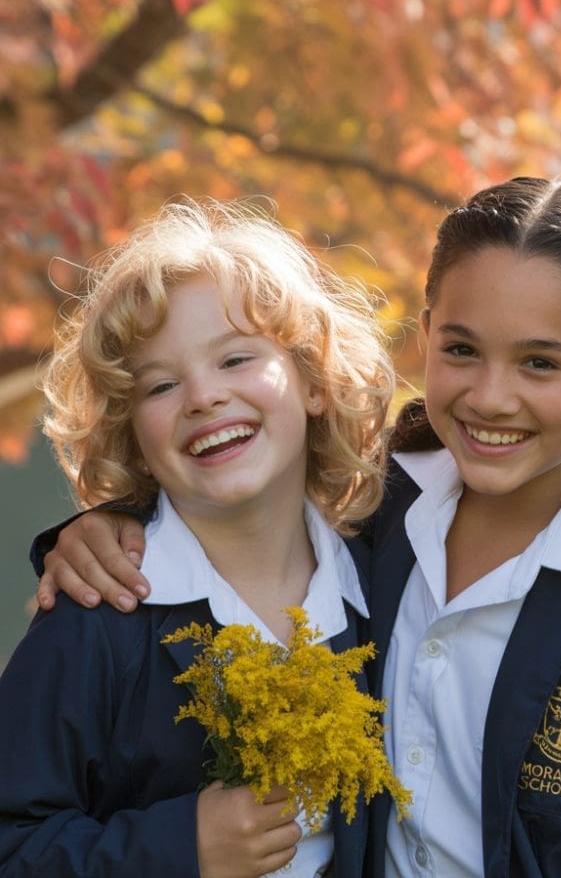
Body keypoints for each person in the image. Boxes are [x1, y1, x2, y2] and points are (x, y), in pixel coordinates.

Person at [28, 177, 561, 876]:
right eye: (461, 351)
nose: (490, 396)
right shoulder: (379, 519)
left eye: (539, 363)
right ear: (426, 337)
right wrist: (106, 523)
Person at [0, 199, 395, 877]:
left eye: (236, 358)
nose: (203, 397)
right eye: (161, 385)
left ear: (313, 381)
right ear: (133, 434)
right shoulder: (98, 615)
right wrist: (182, 846)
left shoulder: (387, 589)